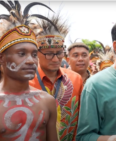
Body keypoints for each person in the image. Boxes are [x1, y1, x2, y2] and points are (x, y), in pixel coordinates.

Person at [0, 0, 58, 140]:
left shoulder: (47, 101)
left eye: (34, 54)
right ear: (2, 59)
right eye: (21, 54)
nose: (31, 60)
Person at [29, 13, 83, 141]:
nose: (55, 59)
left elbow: (81, 118)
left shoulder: (76, 79)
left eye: (59, 53)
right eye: (49, 54)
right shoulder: (27, 81)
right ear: (37, 53)